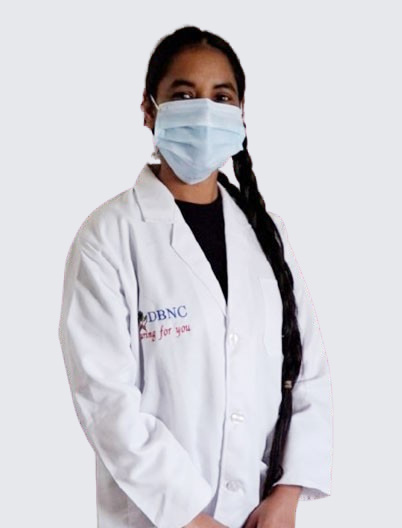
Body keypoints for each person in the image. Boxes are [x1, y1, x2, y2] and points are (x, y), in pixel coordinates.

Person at [58, 25, 333, 528]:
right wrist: (189, 516)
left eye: (220, 97)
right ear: (149, 109)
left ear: (240, 113)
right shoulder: (108, 237)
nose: (204, 112)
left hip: (258, 515)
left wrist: (287, 492)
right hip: (157, 518)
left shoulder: (267, 234)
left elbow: (308, 369)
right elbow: (106, 399)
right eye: (183, 95)